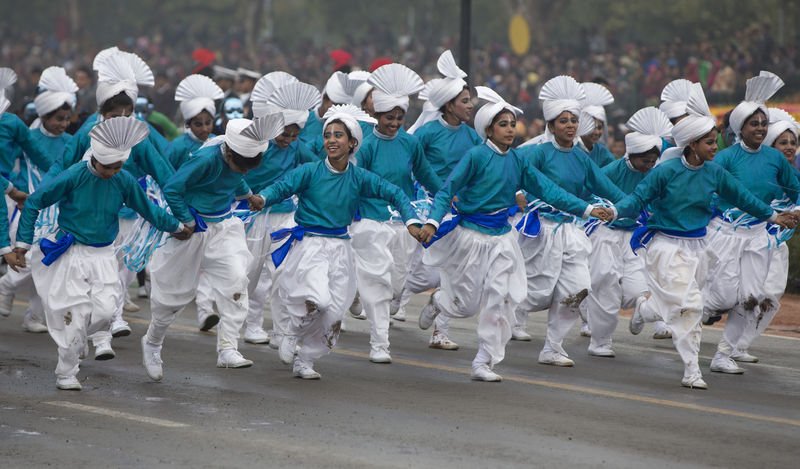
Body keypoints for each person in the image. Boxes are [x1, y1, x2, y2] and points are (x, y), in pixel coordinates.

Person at [416, 87, 609, 381]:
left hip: (503, 240)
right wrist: (431, 222)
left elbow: (549, 191)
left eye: (512, 124)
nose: (510, 130)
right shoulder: (476, 156)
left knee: (500, 299)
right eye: (503, 125)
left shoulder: (518, 160)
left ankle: (484, 361)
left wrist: (586, 209)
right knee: (465, 305)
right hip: (470, 237)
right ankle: (440, 302)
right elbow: (447, 191)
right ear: (489, 129)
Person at [613, 83, 796, 389]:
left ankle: (650, 312)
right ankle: (691, 369)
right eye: (710, 142)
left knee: (721, 301)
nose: (716, 146)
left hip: (700, 247)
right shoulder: (666, 171)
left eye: (715, 142)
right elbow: (638, 199)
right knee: (691, 306)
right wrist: (614, 211)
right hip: (667, 246)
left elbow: (744, 198)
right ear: (692, 144)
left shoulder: (715, 172)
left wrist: (774, 216)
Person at [14, 117, 188, 391]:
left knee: (106, 313)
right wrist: (22, 245)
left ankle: (80, 339)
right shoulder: (75, 175)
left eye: (118, 166)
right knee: (75, 316)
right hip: (71, 253)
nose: (112, 171)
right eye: (107, 166)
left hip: (104, 255)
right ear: (95, 158)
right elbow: (35, 201)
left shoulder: (123, 179)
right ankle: (66, 372)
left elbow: (147, 209)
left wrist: (177, 226)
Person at [250, 104, 423, 379]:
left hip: (341, 248)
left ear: (352, 142)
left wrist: (412, 221)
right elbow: (281, 187)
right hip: (310, 245)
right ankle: (290, 333)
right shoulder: (310, 171)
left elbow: (395, 194)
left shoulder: (359, 177)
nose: (331, 139)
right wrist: (261, 198)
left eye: (338, 135)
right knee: (317, 299)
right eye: (328, 134)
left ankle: (305, 360)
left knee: (333, 315)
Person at [141, 113, 284, 382]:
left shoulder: (238, 162)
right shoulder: (205, 159)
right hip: (192, 230)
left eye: (248, 168)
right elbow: (172, 189)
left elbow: (236, 178)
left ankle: (228, 349)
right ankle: (152, 342)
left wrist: (248, 195)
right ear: (229, 151)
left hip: (224, 228)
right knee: (172, 296)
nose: (243, 170)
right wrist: (184, 220)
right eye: (240, 165)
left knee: (235, 283)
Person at [56, 48, 174, 360]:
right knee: (88, 282)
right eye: (113, 113)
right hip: (87, 216)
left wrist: (181, 207)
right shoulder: (86, 131)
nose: (120, 119)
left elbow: (165, 170)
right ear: (101, 110)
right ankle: (91, 333)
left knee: (117, 271)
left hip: (129, 209)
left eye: (126, 113)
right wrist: (46, 198)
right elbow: (62, 167)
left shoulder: (140, 134)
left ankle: (108, 328)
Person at [513, 75, 626, 367]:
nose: (570, 126)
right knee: (536, 293)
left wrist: (630, 205)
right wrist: (518, 194)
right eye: (563, 121)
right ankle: (501, 312)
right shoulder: (537, 153)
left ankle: (552, 347)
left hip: (573, 232)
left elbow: (608, 189)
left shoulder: (581, 158)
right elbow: (513, 177)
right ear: (550, 125)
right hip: (541, 231)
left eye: (574, 120)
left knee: (577, 288)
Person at [702, 72, 800, 373]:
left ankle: (724, 355)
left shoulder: (774, 159)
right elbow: (706, 187)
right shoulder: (726, 158)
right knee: (723, 296)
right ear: (739, 128)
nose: (759, 128)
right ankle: (690, 313)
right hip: (725, 233)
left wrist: (794, 210)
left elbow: (794, 189)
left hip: (758, 235)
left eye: (763, 123)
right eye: (754, 123)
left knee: (751, 298)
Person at [349, 63, 440, 363]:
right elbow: (354, 180)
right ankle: (380, 344)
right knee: (379, 285)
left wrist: (449, 196)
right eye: (390, 117)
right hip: (370, 222)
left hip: (403, 223)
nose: (396, 122)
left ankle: (360, 293)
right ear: (377, 114)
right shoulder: (366, 144)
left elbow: (427, 176)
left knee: (396, 286)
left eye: (400, 117)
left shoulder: (410, 143)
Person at [398, 50, 484, 350]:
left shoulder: (473, 137)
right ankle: (393, 295)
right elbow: (407, 164)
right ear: (448, 105)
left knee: (452, 270)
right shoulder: (427, 133)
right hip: (428, 208)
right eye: (464, 101)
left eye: (470, 100)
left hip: (459, 211)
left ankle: (439, 328)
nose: (470, 106)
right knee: (423, 274)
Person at [580, 107, 672, 358]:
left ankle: (642, 309)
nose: (649, 166)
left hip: (634, 237)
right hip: (605, 235)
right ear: (632, 154)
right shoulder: (609, 172)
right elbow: (586, 194)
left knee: (640, 283)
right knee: (605, 286)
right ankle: (600, 341)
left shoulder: (654, 175)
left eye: (654, 161)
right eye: (645, 161)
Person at [241, 79, 320, 346]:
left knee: (281, 272)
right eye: (284, 134)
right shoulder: (257, 144)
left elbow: (318, 170)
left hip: (285, 216)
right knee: (251, 272)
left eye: (294, 135)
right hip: (252, 215)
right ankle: (246, 323)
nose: (288, 140)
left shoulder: (298, 148)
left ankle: (281, 330)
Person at [0, 66, 77, 333]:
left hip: (55, 207)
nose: (63, 124)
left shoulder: (70, 141)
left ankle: (34, 315)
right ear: (43, 115)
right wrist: (15, 193)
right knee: (33, 255)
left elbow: (61, 168)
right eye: (58, 118)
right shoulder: (28, 136)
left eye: (67, 119)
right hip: (22, 205)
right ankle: (7, 285)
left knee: (49, 261)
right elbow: (14, 166)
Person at [167, 74, 225, 170]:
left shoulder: (217, 143)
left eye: (208, 123)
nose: (205, 129)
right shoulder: (178, 146)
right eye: (198, 124)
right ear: (188, 124)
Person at [578, 82, 616, 168]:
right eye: (592, 127)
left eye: (600, 127)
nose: (597, 132)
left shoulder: (603, 153)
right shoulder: (571, 150)